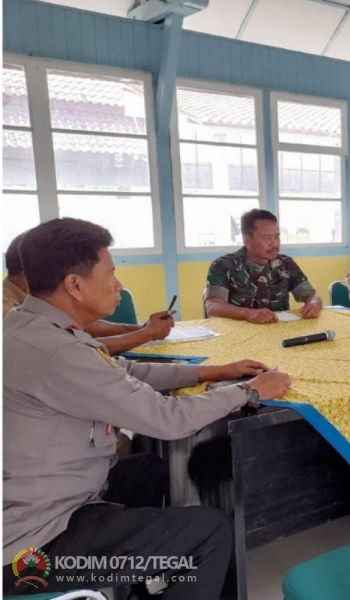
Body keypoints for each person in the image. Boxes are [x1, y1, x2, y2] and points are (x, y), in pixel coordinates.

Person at [3, 218, 292, 599]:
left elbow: (123, 370)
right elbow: (167, 419)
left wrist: (216, 370)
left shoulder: (29, 325)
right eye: (110, 274)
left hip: (43, 499)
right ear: (74, 285)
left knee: (149, 469)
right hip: (34, 546)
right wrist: (249, 392)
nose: (119, 285)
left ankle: (137, 588)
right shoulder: (56, 351)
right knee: (209, 531)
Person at [4, 232, 175, 354]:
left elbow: (86, 328)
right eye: (109, 275)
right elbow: (72, 349)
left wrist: (140, 328)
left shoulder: (35, 301)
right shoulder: (9, 311)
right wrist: (146, 334)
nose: (118, 286)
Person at [204, 209, 323, 324]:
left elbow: (312, 295)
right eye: (267, 238)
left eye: (276, 237)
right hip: (237, 336)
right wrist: (248, 314)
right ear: (247, 240)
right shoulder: (223, 265)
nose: (275, 244)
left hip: (279, 332)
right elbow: (213, 307)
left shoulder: (286, 263)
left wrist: (314, 303)